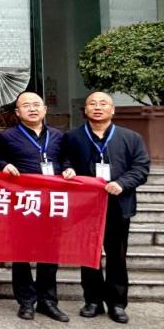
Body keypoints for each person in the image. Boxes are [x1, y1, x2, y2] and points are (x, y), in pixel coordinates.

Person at [66, 92, 150, 324]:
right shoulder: (72, 137)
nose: (97, 107)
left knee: (116, 256)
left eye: (103, 104)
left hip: (118, 206)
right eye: (92, 103)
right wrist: (68, 169)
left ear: (112, 110)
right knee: (88, 255)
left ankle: (117, 303)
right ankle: (92, 300)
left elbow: (141, 167)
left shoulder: (131, 138)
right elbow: (64, 160)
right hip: (84, 208)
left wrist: (122, 183)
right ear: (85, 109)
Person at [0, 91, 75, 322]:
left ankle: (48, 301)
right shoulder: (7, 136)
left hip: (51, 203)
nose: (32, 109)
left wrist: (69, 168)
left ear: (45, 109)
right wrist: (4, 165)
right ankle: (26, 301)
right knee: (21, 253)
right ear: (18, 112)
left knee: (50, 253)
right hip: (23, 203)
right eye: (26, 105)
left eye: (36, 104)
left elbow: (66, 160)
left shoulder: (59, 136)